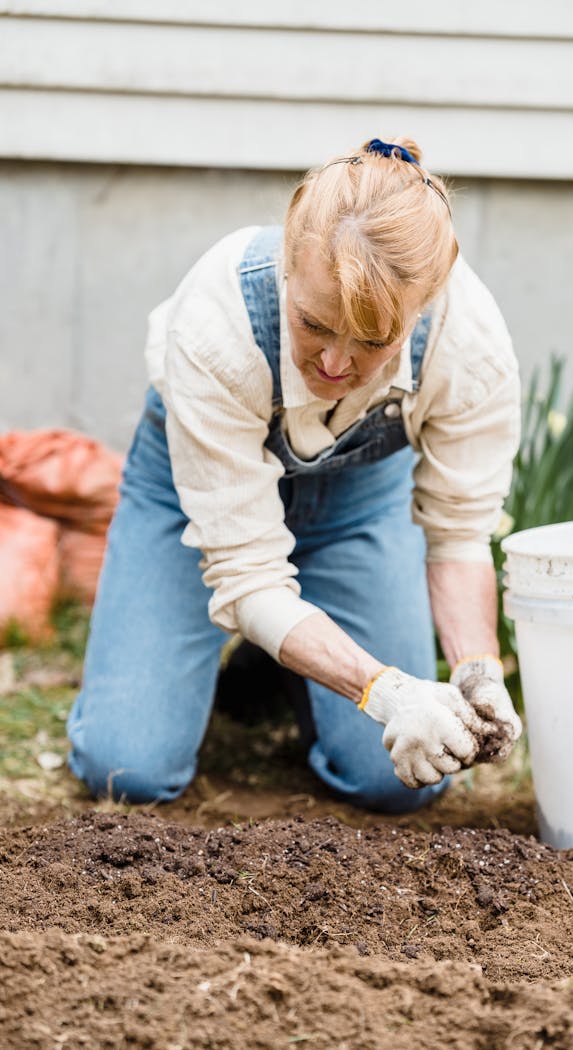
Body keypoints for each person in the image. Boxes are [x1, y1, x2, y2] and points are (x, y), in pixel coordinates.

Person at [67, 136, 522, 813]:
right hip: (192, 495)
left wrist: (478, 672)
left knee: (395, 783)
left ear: (423, 307)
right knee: (125, 766)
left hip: (357, 503)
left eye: (372, 341)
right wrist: (384, 689)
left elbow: (458, 536)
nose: (335, 363)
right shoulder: (217, 326)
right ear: (288, 262)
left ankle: (282, 668)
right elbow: (248, 574)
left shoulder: (469, 347)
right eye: (314, 325)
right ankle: (283, 653)